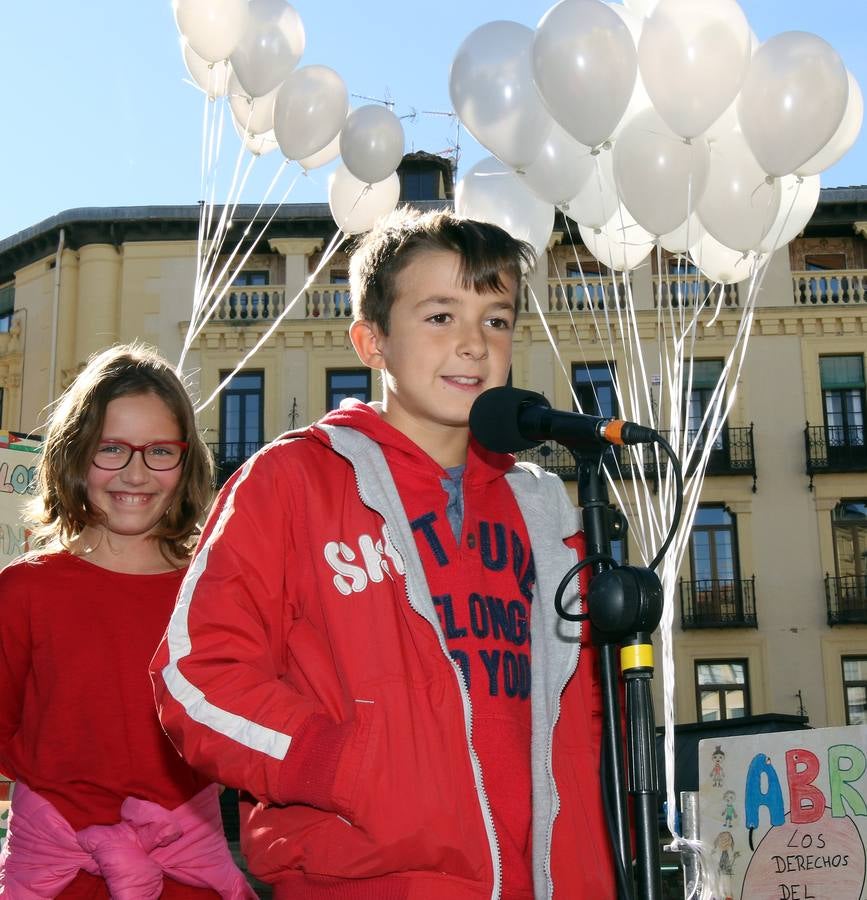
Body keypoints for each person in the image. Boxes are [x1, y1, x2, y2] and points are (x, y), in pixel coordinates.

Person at [152, 208, 617, 899]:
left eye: (496, 319)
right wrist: (342, 764)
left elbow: (583, 717)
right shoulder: (293, 482)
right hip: (363, 879)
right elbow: (196, 675)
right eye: (439, 317)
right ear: (371, 343)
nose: (473, 344)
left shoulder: (546, 511)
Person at [0, 344, 254, 898]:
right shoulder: (23, 591)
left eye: (160, 451)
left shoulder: (213, 591)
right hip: (56, 878)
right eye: (111, 448)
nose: (136, 474)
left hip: (188, 875)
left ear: (186, 462)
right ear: (73, 454)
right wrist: (63, 797)